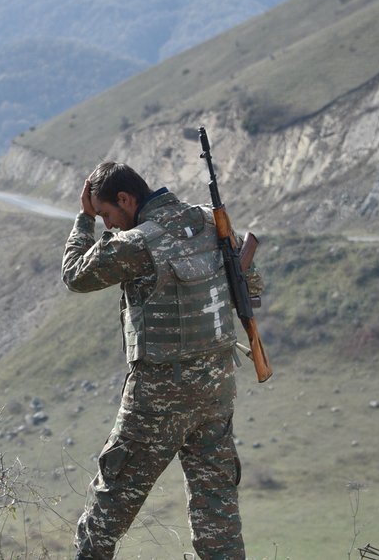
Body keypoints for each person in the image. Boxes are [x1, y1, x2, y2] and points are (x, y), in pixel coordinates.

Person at [62, 161, 258, 560]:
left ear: (126, 199)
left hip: (157, 400)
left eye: (107, 215)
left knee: (110, 503)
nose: (110, 226)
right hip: (216, 391)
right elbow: (250, 286)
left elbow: (75, 276)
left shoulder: (139, 243)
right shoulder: (209, 222)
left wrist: (83, 221)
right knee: (216, 508)